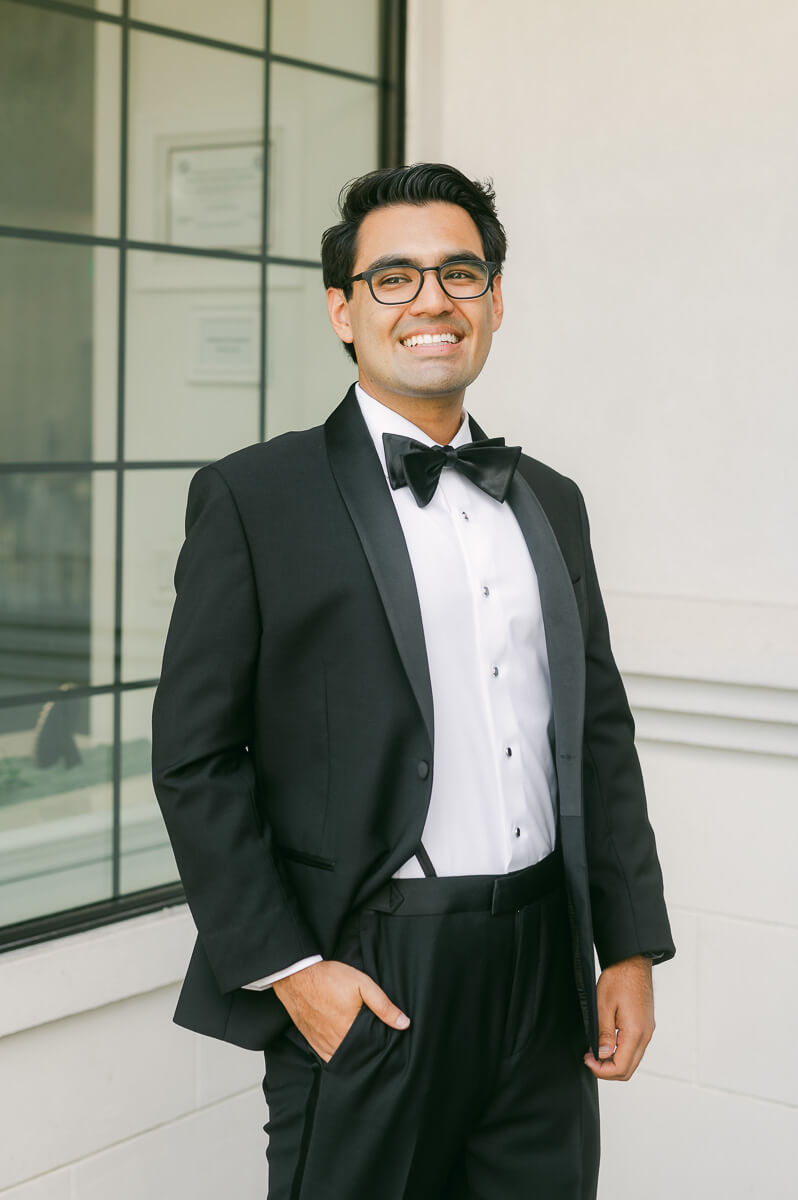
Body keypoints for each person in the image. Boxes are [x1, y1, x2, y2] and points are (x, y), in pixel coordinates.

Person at [152, 162, 674, 1200]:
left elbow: (598, 732)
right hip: (373, 965)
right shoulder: (256, 497)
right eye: (394, 279)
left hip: (544, 967)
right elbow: (197, 758)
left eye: (460, 274)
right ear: (342, 311)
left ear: (494, 302)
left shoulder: (552, 501)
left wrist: (628, 943)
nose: (432, 300)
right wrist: (294, 972)